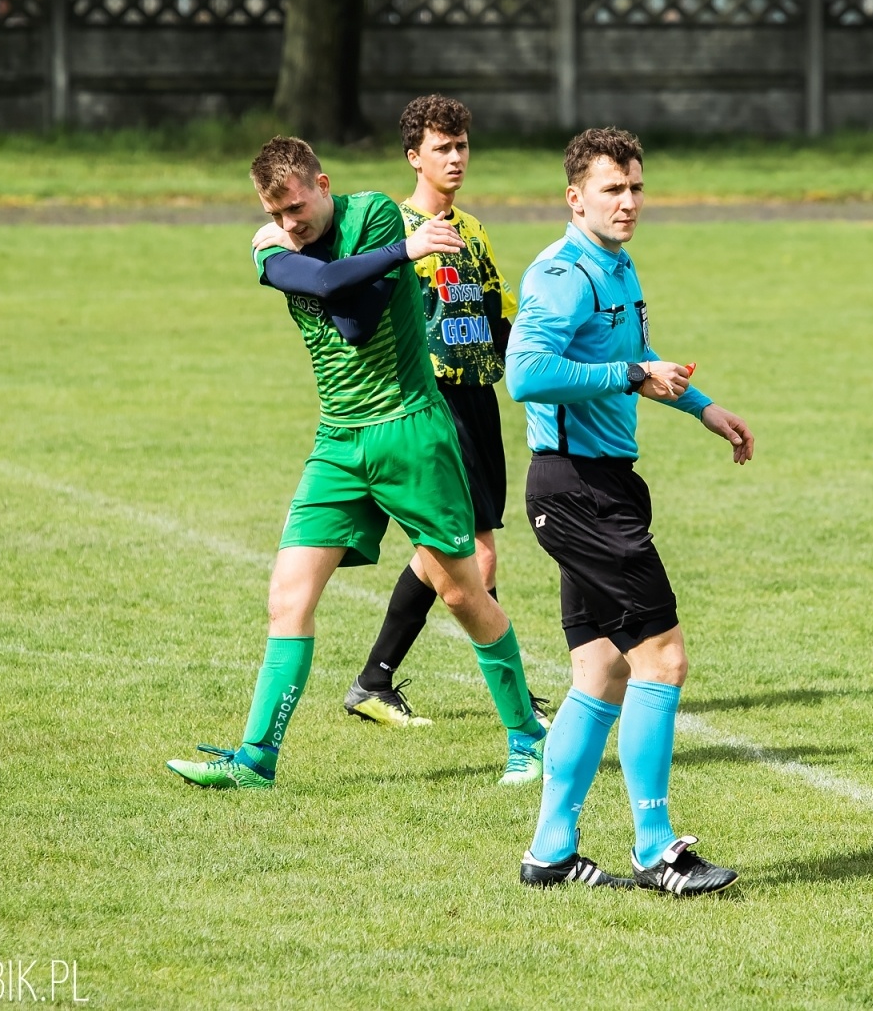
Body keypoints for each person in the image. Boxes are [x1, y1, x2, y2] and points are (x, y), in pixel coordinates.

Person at [165, 136, 549, 791]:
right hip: (338, 440)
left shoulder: (373, 213)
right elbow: (319, 283)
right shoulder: (302, 240)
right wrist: (397, 255)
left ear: (322, 183)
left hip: (408, 431)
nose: (289, 224)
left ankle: (529, 737)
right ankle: (256, 759)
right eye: (276, 214)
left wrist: (350, 264)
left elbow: (356, 323)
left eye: (296, 206)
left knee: (462, 590)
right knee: (287, 596)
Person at [506, 127, 755, 893]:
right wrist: (631, 373)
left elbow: (631, 369)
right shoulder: (563, 272)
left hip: (600, 485)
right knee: (664, 658)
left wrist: (701, 406)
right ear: (575, 196)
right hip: (578, 488)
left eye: (637, 187)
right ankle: (656, 850)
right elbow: (526, 372)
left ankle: (550, 851)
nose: (628, 202)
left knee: (602, 671)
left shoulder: (617, 264)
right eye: (613, 189)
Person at [341, 95, 549, 736]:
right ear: (414, 157)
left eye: (461, 146)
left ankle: (374, 679)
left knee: (463, 553)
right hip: (430, 402)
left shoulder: (474, 231)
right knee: (476, 557)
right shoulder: (394, 233)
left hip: (479, 398)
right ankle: (512, 705)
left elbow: (500, 316)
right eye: (442, 148)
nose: (455, 158)